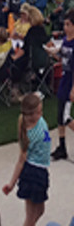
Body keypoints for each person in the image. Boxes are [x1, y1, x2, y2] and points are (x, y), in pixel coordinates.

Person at [2, 92, 49, 226]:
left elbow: (36, 97)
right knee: (31, 216)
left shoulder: (34, 118)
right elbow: (20, 162)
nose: (41, 114)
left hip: (41, 171)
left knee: (40, 211)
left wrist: (32, 97)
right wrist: (11, 184)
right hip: (33, 174)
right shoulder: (31, 135)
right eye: (39, 112)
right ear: (32, 115)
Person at [50, 8, 74, 160]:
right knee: (59, 116)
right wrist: (53, 53)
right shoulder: (65, 41)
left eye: (68, 24)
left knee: (65, 117)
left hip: (71, 82)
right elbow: (63, 60)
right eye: (64, 24)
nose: (65, 27)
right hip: (64, 80)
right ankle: (62, 146)